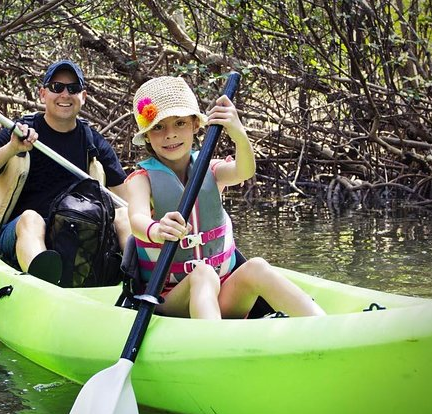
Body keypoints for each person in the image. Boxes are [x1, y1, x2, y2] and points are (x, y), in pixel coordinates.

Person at [125, 76, 326, 319]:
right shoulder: (141, 179)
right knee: (203, 274)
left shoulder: (210, 169)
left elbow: (244, 171)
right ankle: (214, 348)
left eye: (179, 123)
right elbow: (136, 219)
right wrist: (157, 230)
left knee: (257, 267)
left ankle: (324, 325)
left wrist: (239, 134)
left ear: (194, 126)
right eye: (158, 127)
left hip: (222, 292)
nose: (170, 135)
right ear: (146, 136)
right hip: (170, 299)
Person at [0, 60, 129, 284]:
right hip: (21, 233)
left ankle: (139, 279)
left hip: (77, 232)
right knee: (31, 219)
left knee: (123, 216)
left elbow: (128, 200)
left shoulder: (94, 143)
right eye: (56, 87)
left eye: (73, 89)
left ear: (83, 97)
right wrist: (11, 148)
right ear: (43, 94)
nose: (64, 94)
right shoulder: (20, 132)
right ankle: (43, 283)